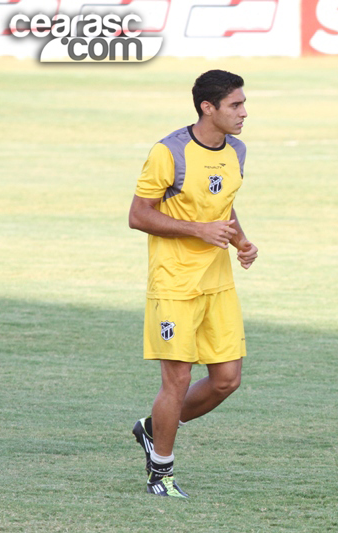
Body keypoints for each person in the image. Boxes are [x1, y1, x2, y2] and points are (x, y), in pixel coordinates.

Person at [128, 69, 258, 498]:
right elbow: (139, 214)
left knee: (227, 379)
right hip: (175, 284)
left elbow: (225, 206)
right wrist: (197, 230)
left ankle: (153, 428)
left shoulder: (236, 149)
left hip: (217, 282)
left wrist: (240, 241)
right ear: (208, 108)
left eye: (243, 103)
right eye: (235, 105)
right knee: (178, 380)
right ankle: (160, 474)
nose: (244, 112)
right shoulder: (169, 152)